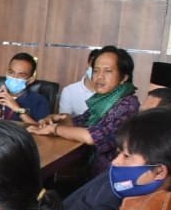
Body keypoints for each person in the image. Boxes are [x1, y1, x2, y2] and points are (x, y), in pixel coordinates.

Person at [29, 45, 139, 175]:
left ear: (124, 77)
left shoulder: (128, 104)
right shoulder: (103, 100)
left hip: (109, 176)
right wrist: (54, 120)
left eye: (108, 71)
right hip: (92, 171)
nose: (99, 76)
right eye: (96, 71)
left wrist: (54, 129)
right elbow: (81, 121)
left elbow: (93, 136)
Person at [57, 49, 102, 117]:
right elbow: (64, 120)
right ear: (88, 64)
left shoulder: (111, 93)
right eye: (94, 66)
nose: (98, 72)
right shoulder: (69, 91)